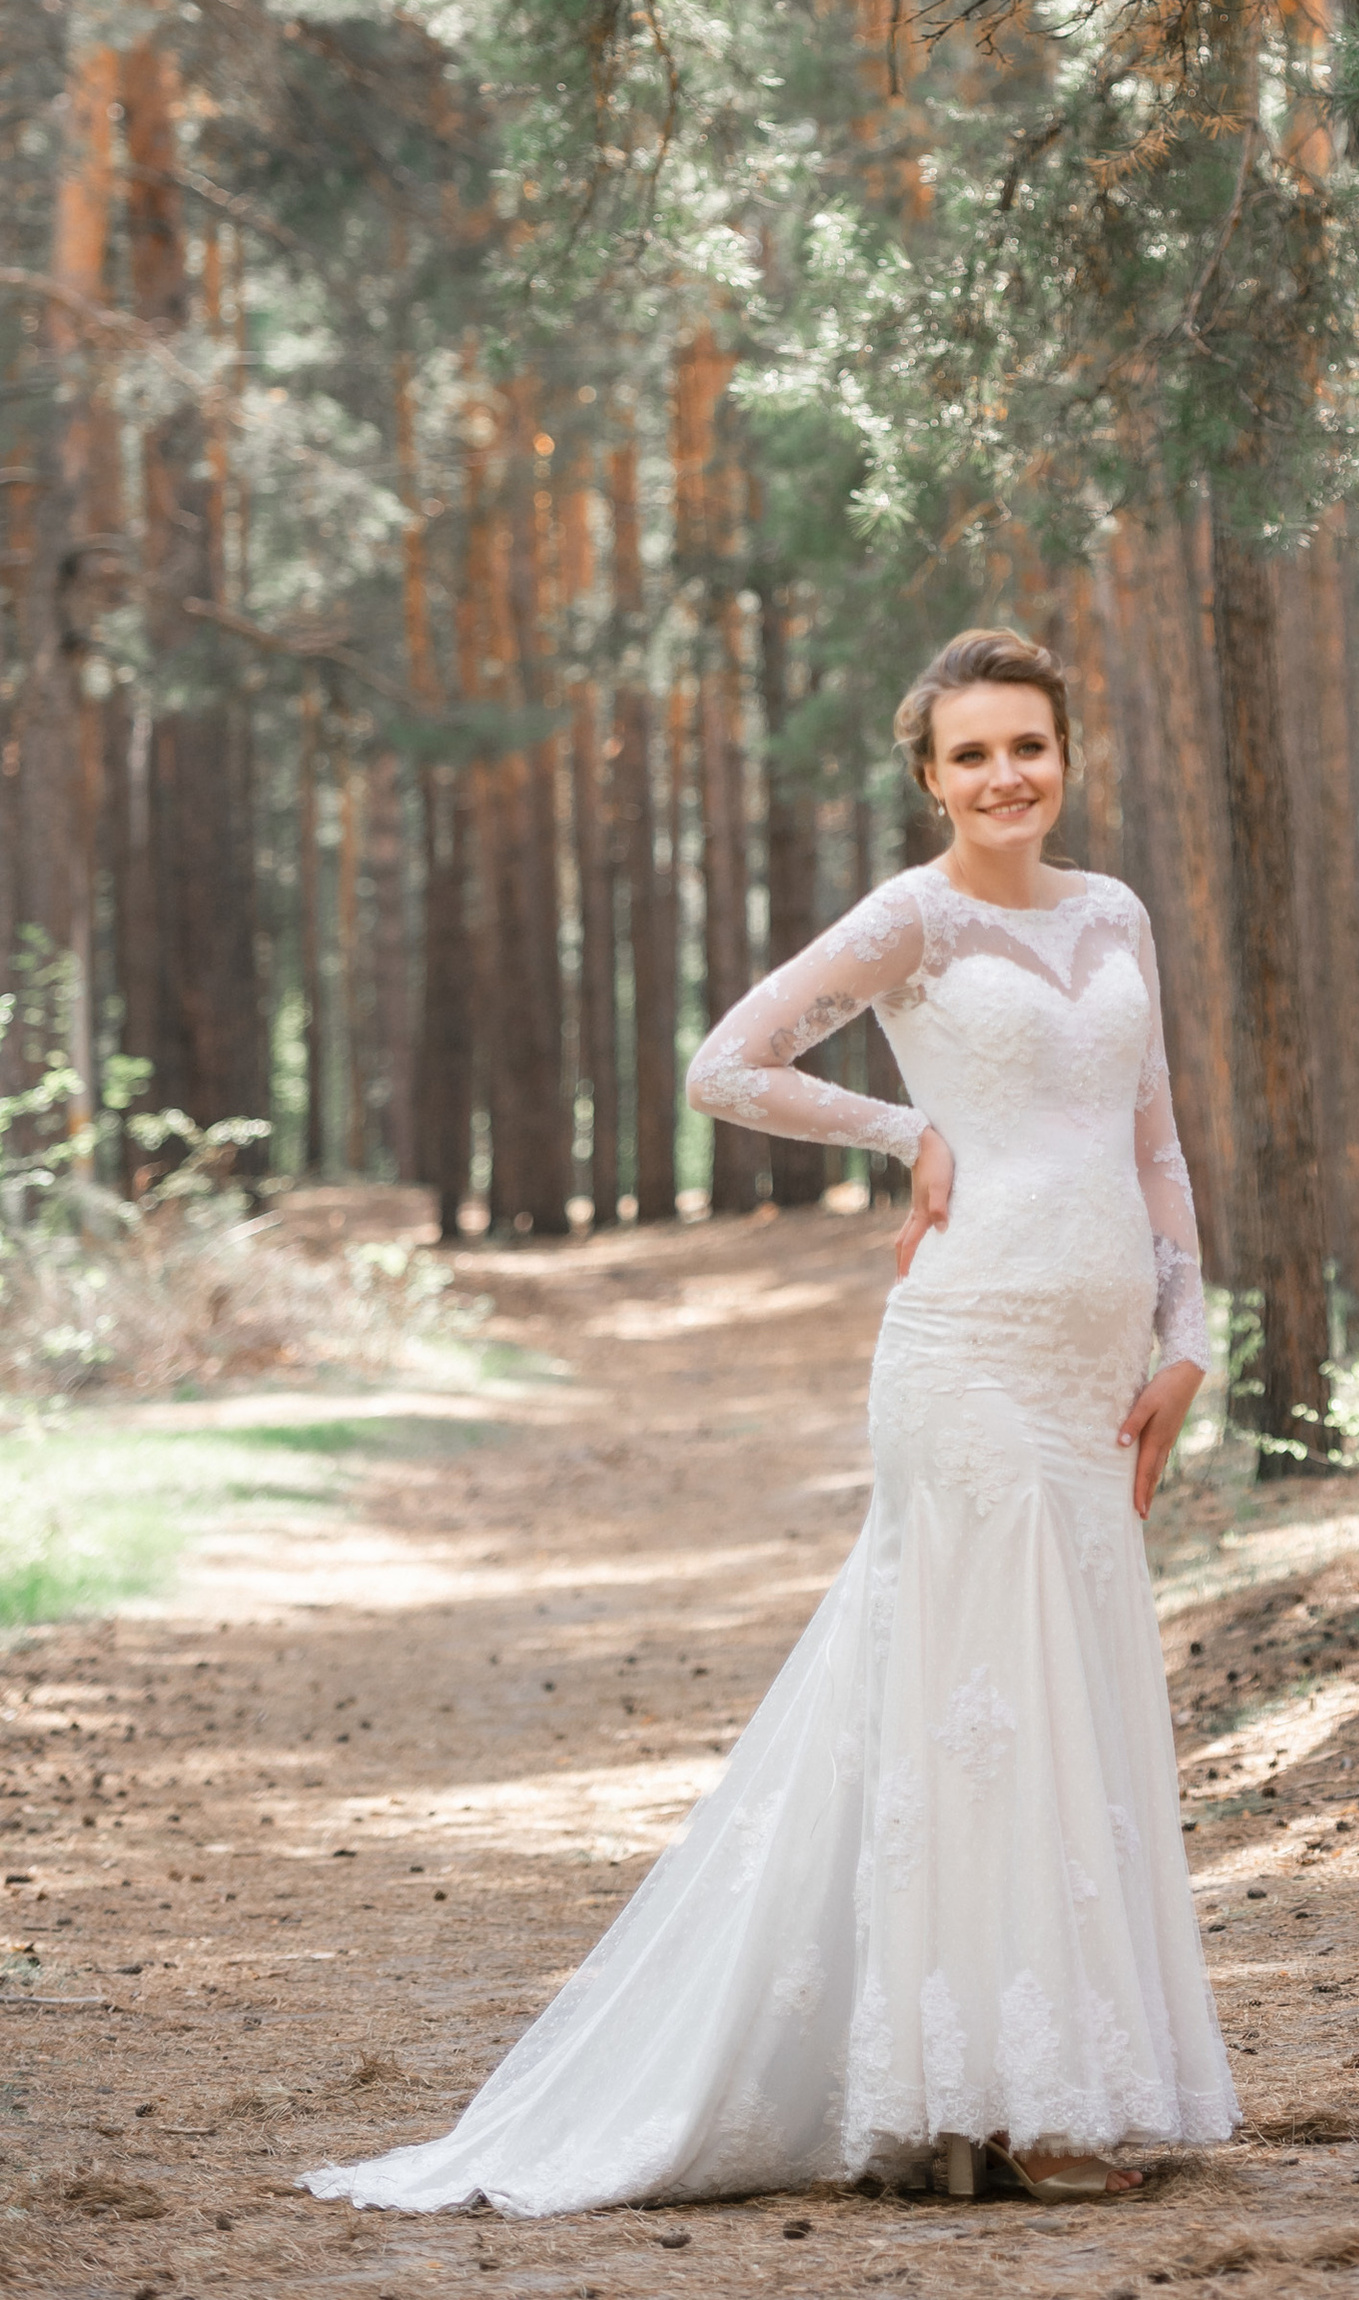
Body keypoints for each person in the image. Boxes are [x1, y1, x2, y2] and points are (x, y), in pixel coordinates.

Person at [302, 625, 1234, 2217]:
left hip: (1097, 1367)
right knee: (981, 1707)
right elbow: (726, 1064)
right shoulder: (912, 920)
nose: (1006, 776)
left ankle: (1034, 2082)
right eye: (971, 755)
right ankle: (1001, 2108)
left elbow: (1155, 1145)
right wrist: (905, 1125)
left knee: (1064, 1699)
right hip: (963, 1354)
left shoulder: (1115, 911)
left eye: (1030, 745)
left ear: (1067, 752)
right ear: (928, 776)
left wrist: (1187, 1335)